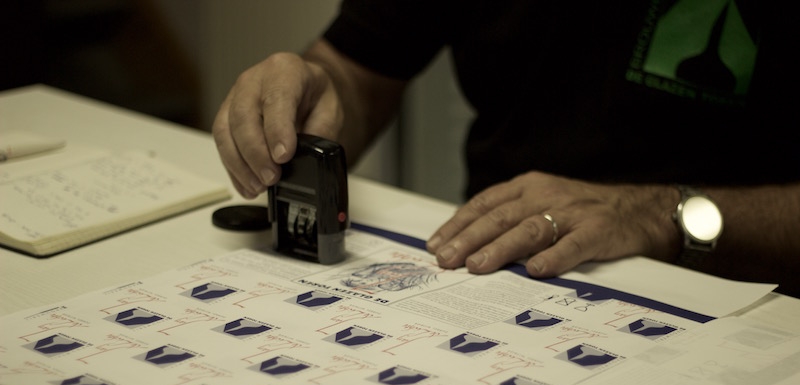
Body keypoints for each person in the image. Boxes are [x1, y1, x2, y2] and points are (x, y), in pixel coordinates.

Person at [212, 1, 799, 297]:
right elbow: (359, 70)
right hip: (496, 266)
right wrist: (314, 89)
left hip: (747, 295)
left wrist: (661, 214)